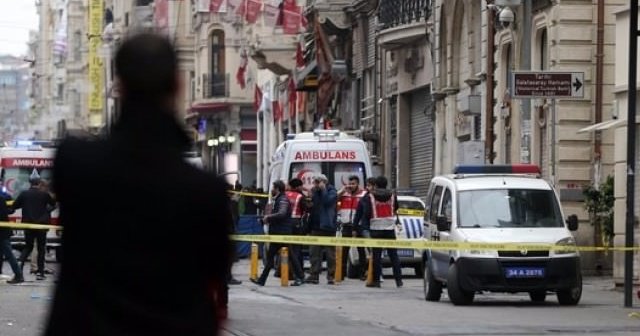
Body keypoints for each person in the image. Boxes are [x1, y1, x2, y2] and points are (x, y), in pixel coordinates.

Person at [45, 33, 232, 336]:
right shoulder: (206, 191)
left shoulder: (74, 164)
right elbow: (214, 277)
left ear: (119, 85)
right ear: (178, 84)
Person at [251, 180, 304, 286]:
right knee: (273, 258)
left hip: (282, 233)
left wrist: (268, 217)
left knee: (288, 256)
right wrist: (266, 219)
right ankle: (262, 280)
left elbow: (282, 213)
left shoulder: (283, 199)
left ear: (278, 189)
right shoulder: (279, 199)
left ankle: (300, 277)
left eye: (273, 188)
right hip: (278, 232)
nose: (272, 190)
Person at [12, 177, 56, 281]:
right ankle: (40, 273)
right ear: (39, 183)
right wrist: (47, 212)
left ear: (30, 183)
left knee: (28, 247)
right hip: (41, 226)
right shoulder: (44, 195)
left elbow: (14, 206)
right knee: (41, 249)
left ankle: (19, 269)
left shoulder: (24, 194)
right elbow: (53, 204)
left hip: (27, 225)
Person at [365, 176, 402, 288]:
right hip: (390, 229)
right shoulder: (392, 195)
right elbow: (396, 208)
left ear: (376, 185)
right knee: (394, 256)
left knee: (376, 256)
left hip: (375, 229)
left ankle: (377, 280)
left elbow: (367, 212)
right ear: (386, 184)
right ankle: (398, 280)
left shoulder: (370, 196)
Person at [305, 174, 337, 285]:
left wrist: (323, 190)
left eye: (317, 182)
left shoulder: (332, 191)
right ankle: (314, 274)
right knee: (314, 253)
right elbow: (311, 206)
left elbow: (327, 201)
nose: (315, 184)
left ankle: (331, 275)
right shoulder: (314, 191)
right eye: (315, 182)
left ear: (324, 182)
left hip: (328, 227)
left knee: (330, 254)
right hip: (315, 226)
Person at [336, 175, 367, 278]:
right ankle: (342, 273)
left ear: (358, 184)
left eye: (353, 184)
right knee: (344, 250)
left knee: (361, 250)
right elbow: (334, 199)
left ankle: (362, 273)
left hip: (358, 226)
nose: (351, 186)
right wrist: (342, 190)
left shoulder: (363, 194)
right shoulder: (344, 193)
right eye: (349, 183)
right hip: (346, 225)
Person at [352, 177, 378, 280]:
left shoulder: (381, 197)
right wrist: (354, 228)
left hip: (376, 228)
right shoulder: (364, 198)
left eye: (370, 185)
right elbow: (358, 214)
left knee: (374, 252)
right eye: (367, 185)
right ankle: (364, 272)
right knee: (365, 251)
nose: (368, 188)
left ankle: (375, 273)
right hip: (365, 228)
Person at [285, 178, 310, 279]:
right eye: (301, 186)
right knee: (296, 249)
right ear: (298, 187)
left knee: (287, 248)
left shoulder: (285, 195)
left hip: (285, 224)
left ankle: (287, 273)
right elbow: (307, 207)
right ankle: (298, 273)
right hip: (296, 223)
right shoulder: (300, 196)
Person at [0, 182, 23, 284]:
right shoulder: (2, 198)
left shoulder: (1, 198)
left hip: (2, 232)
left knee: (9, 254)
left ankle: (18, 275)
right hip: (4, 231)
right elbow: (9, 210)